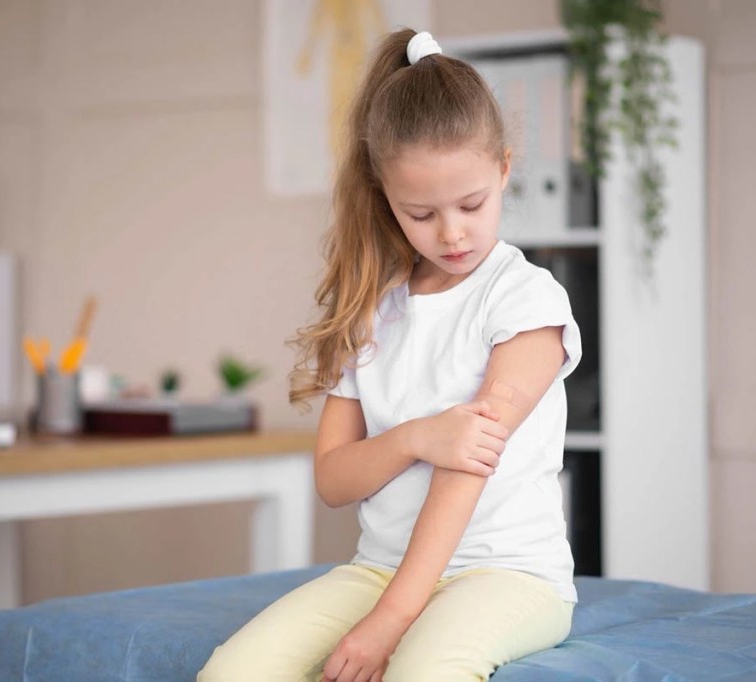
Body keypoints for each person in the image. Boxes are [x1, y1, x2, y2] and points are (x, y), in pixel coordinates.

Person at [199, 28, 582, 682]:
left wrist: (392, 619)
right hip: (379, 568)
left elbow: (468, 463)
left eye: (471, 204)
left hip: (506, 574)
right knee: (232, 673)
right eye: (421, 213)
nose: (452, 233)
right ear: (385, 197)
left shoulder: (526, 299)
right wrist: (416, 437)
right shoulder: (374, 309)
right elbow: (334, 480)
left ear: (504, 169)